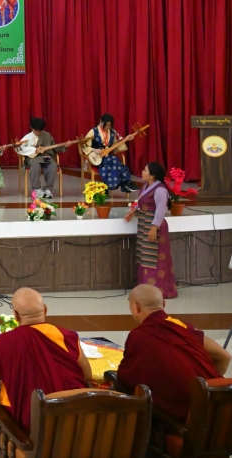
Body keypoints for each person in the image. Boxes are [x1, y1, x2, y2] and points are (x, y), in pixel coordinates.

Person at [0, 288, 92, 432]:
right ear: (45, 309)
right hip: (74, 426)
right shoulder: (66, 336)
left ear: (15, 315)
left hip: (26, 431)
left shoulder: (5, 342)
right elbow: (86, 375)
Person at [116, 284, 229, 421]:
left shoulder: (138, 336)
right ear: (163, 304)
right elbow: (225, 356)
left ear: (136, 307)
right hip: (220, 412)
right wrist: (210, 385)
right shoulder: (182, 326)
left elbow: (126, 379)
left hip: (186, 419)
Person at [123, 162, 178, 298]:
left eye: (145, 170)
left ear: (152, 175)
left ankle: (160, 290)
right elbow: (142, 203)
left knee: (153, 257)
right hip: (144, 223)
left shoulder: (159, 190)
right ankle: (145, 289)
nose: (142, 172)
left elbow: (160, 209)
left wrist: (154, 227)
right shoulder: (146, 186)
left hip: (153, 225)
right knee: (144, 255)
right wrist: (133, 212)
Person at [82, 113, 135, 193]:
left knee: (114, 161)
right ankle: (126, 183)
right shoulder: (93, 131)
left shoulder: (112, 133)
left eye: (109, 125)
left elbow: (115, 148)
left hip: (108, 157)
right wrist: (94, 149)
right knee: (115, 161)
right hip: (96, 157)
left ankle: (106, 188)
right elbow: (84, 145)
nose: (107, 127)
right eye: (106, 125)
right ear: (101, 121)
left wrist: (126, 140)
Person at [17, 117, 63, 199]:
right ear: (31, 128)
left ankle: (48, 190)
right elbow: (19, 149)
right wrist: (34, 150)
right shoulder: (27, 137)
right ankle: (37, 189)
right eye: (36, 131)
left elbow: (54, 148)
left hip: (46, 156)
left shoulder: (47, 135)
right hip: (33, 158)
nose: (38, 133)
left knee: (53, 166)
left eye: (40, 131)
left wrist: (64, 146)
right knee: (35, 166)